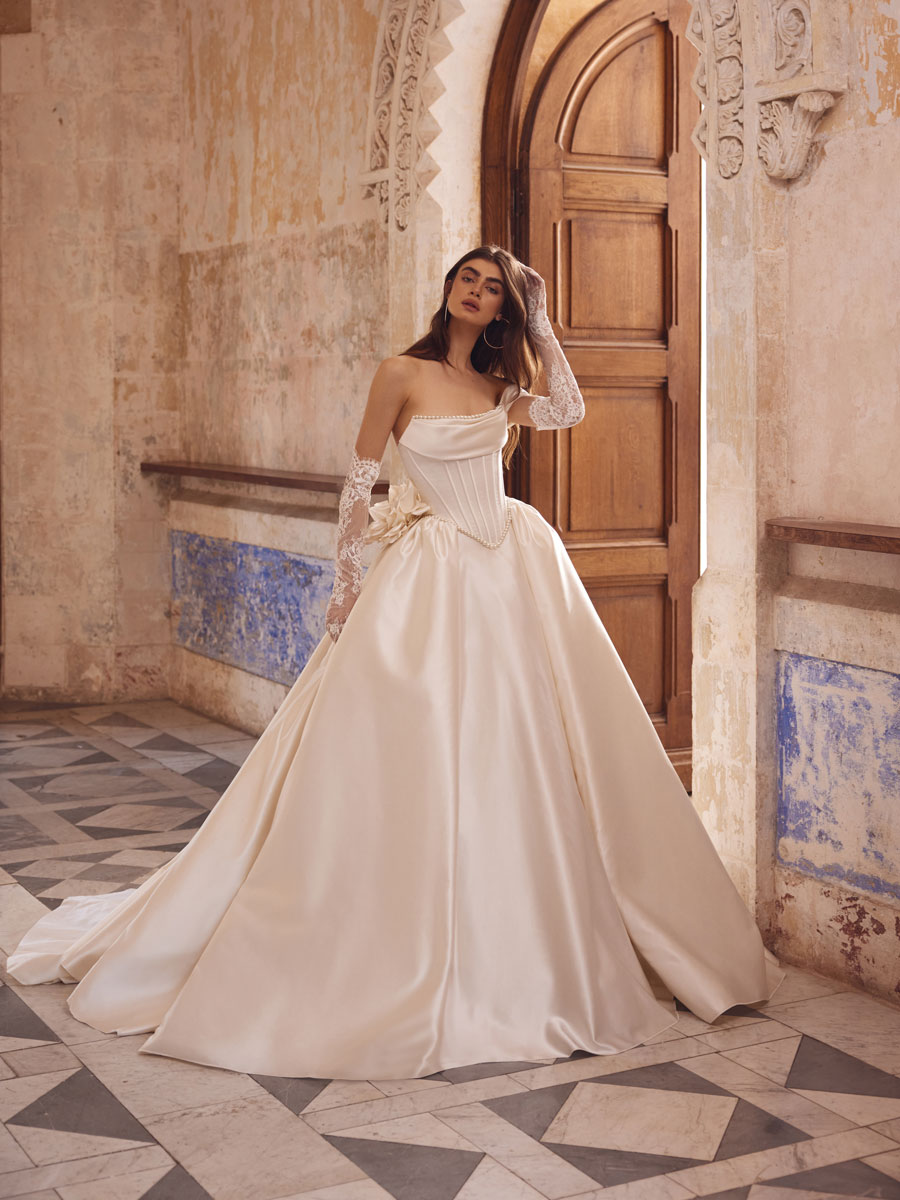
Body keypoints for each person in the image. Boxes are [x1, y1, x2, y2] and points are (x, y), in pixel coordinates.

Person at [6, 245, 784, 1081]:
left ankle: (523, 929)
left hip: (512, 570)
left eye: (494, 289)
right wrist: (344, 587)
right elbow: (359, 483)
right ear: (448, 291)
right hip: (431, 575)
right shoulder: (400, 373)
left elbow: (568, 409)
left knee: (522, 748)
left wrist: (544, 316)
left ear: (502, 308)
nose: (479, 294)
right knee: (412, 745)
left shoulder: (498, 388)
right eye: (469, 281)